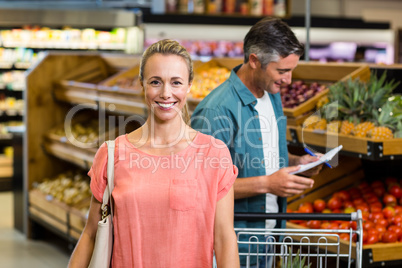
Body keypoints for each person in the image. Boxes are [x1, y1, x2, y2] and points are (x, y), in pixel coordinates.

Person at [68, 39, 240, 268]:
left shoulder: (214, 155)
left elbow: (224, 238)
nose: (166, 93)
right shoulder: (112, 154)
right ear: (142, 84)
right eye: (156, 82)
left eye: (176, 82)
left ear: (189, 85)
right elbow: (90, 234)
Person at [191, 17, 323, 267]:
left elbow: (264, 154)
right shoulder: (214, 111)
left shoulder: (271, 95)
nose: (289, 80)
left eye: (291, 70)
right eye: (282, 71)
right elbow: (200, 190)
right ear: (254, 61)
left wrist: (297, 162)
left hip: (269, 235)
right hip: (234, 244)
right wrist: (268, 184)